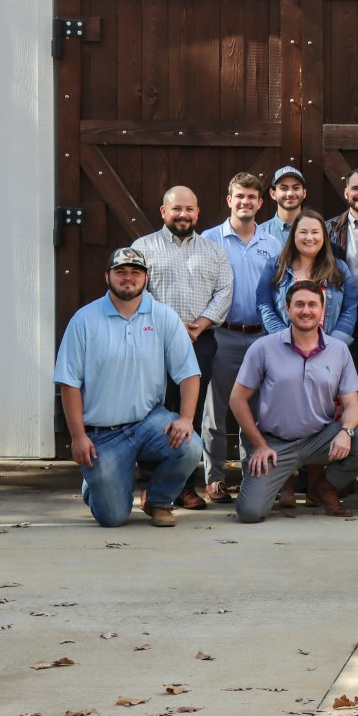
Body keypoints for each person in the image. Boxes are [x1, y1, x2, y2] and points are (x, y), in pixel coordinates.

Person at [55, 247, 203, 527]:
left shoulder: (164, 317)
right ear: (107, 276)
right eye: (120, 272)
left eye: (135, 272)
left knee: (190, 445)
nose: (128, 278)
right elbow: (69, 383)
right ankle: (96, 483)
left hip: (149, 422)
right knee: (112, 518)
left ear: (145, 278)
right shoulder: (84, 320)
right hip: (102, 435)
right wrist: (77, 437)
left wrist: (185, 419)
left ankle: (158, 500)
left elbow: (189, 374)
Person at [229, 281, 358, 522]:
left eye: (313, 305)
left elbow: (352, 404)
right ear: (287, 309)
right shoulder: (264, 347)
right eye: (299, 304)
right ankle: (272, 479)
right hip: (274, 443)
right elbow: (237, 399)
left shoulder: (339, 349)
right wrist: (259, 444)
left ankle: (323, 487)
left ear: (322, 311)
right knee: (250, 513)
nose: (306, 310)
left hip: (319, 439)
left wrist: (346, 432)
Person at [131, 185, 232, 510]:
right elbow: (137, 292)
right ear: (164, 212)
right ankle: (150, 484)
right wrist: (172, 326)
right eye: (177, 209)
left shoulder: (213, 250)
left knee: (192, 410)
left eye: (189, 209)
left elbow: (225, 290)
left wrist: (202, 323)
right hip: (154, 339)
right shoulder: (143, 248)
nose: (183, 215)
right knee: (156, 410)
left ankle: (184, 486)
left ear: (198, 212)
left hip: (199, 341)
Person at [203, 172, 280, 504]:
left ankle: (254, 476)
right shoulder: (209, 240)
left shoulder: (272, 244)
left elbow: (277, 292)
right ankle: (215, 478)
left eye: (252, 197)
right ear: (229, 200)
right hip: (222, 335)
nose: (245, 202)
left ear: (260, 203)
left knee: (257, 412)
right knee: (214, 412)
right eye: (240, 196)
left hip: (261, 338)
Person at [258, 211, 358, 346]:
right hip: (283, 349)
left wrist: (332, 344)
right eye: (303, 232)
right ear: (294, 235)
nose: (309, 237)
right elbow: (264, 306)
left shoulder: (339, 268)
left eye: (315, 232)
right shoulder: (275, 267)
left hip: (328, 351)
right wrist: (286, 340)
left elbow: (350, 309)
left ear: (323, 235)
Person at [265, 165, 307, 244]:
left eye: (296, 188)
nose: (290, 193)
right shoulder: (260, 233)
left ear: (304, 193)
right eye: (284, 188)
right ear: (273, 194)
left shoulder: (318, 231)